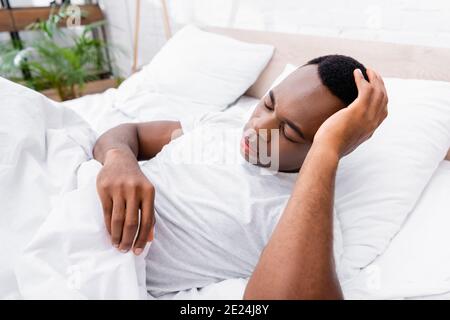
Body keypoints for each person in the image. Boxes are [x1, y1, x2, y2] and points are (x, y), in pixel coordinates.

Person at [93, 55, 388, 299]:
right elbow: (127, 134)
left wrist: (328, 152)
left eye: (288, 131)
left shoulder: (299, 217)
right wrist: (119, 161)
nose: (257, 127)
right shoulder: (221, 123)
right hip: (75, 190)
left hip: (93, 258)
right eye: (268, 104)